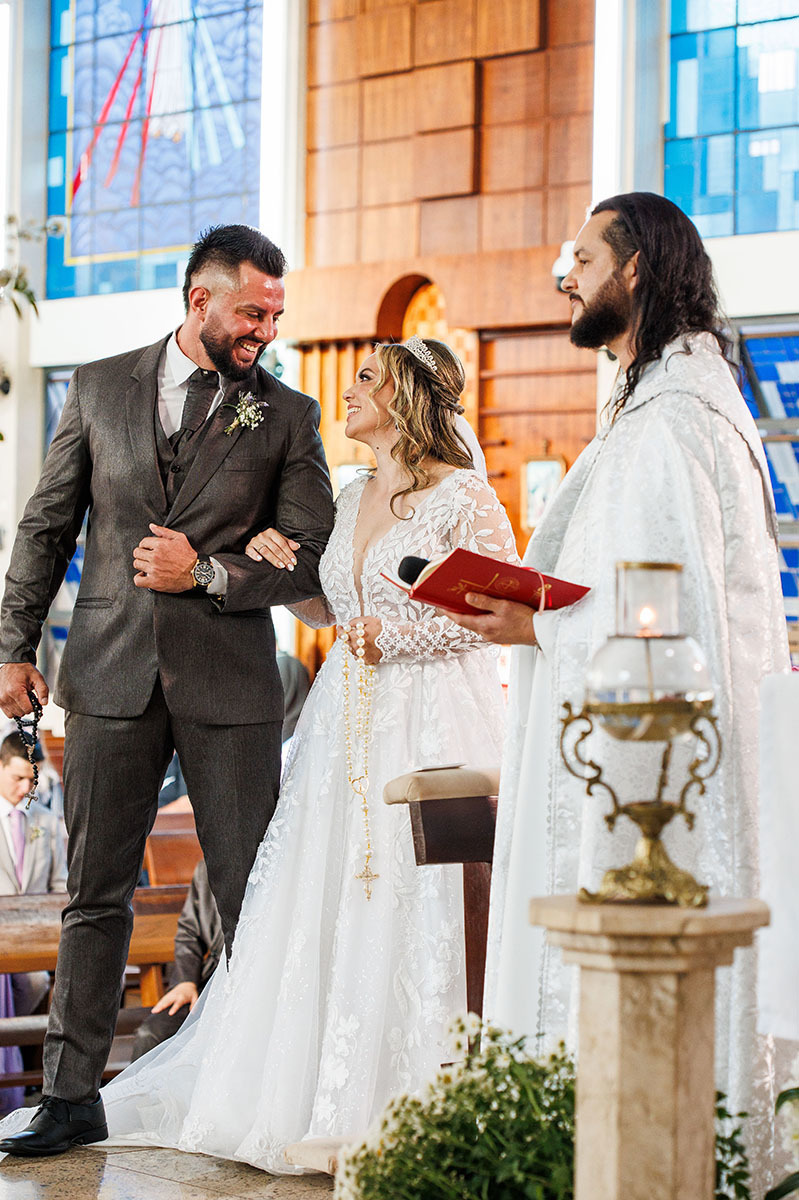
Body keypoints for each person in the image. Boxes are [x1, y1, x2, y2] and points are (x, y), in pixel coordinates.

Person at [21, 336, 517, 1172]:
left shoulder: (465, 496)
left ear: (404, 398)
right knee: (327, 898)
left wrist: (393, 636)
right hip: (343, 722)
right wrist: (278, 567)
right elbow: (329, 607)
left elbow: (497, 616)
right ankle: (317, 1092)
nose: (348, 391)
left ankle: (424, 1094)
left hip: (429, 722)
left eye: (366, 378)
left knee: (416, 900)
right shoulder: (352, 493)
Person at [445, 193, 790, 1178]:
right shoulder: (656, 407)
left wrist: (537, 623)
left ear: (634, 269)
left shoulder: (672, 424)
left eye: (583, 258)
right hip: (637, 753)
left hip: (650, 781)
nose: (567, 277)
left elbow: (672, 618)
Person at [0, 224, 334, 1156]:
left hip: (232, 687)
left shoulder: (287, 415)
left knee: (250, 893)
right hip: (108, 674)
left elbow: (314, 555)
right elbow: (46, 524)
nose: (265, 330)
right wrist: (12, 646)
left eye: (275, 315)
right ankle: (71, 1097)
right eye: (252, 313)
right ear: (200, 301)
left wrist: (212, 573)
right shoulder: (99, 386)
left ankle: (267, 1094)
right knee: (94, 895)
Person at [0, 732, 68, 1115]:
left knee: (35, 981)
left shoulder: (45, 821)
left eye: (32, 779)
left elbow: (60, 886)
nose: (26, 788)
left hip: (36, 937)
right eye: (17, 778)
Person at [130, 860, 222, 1061]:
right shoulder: (207, 866)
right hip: (210, 981)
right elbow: (189, 932)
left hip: (252, 980)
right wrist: (185, 981)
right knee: (151, 1035)